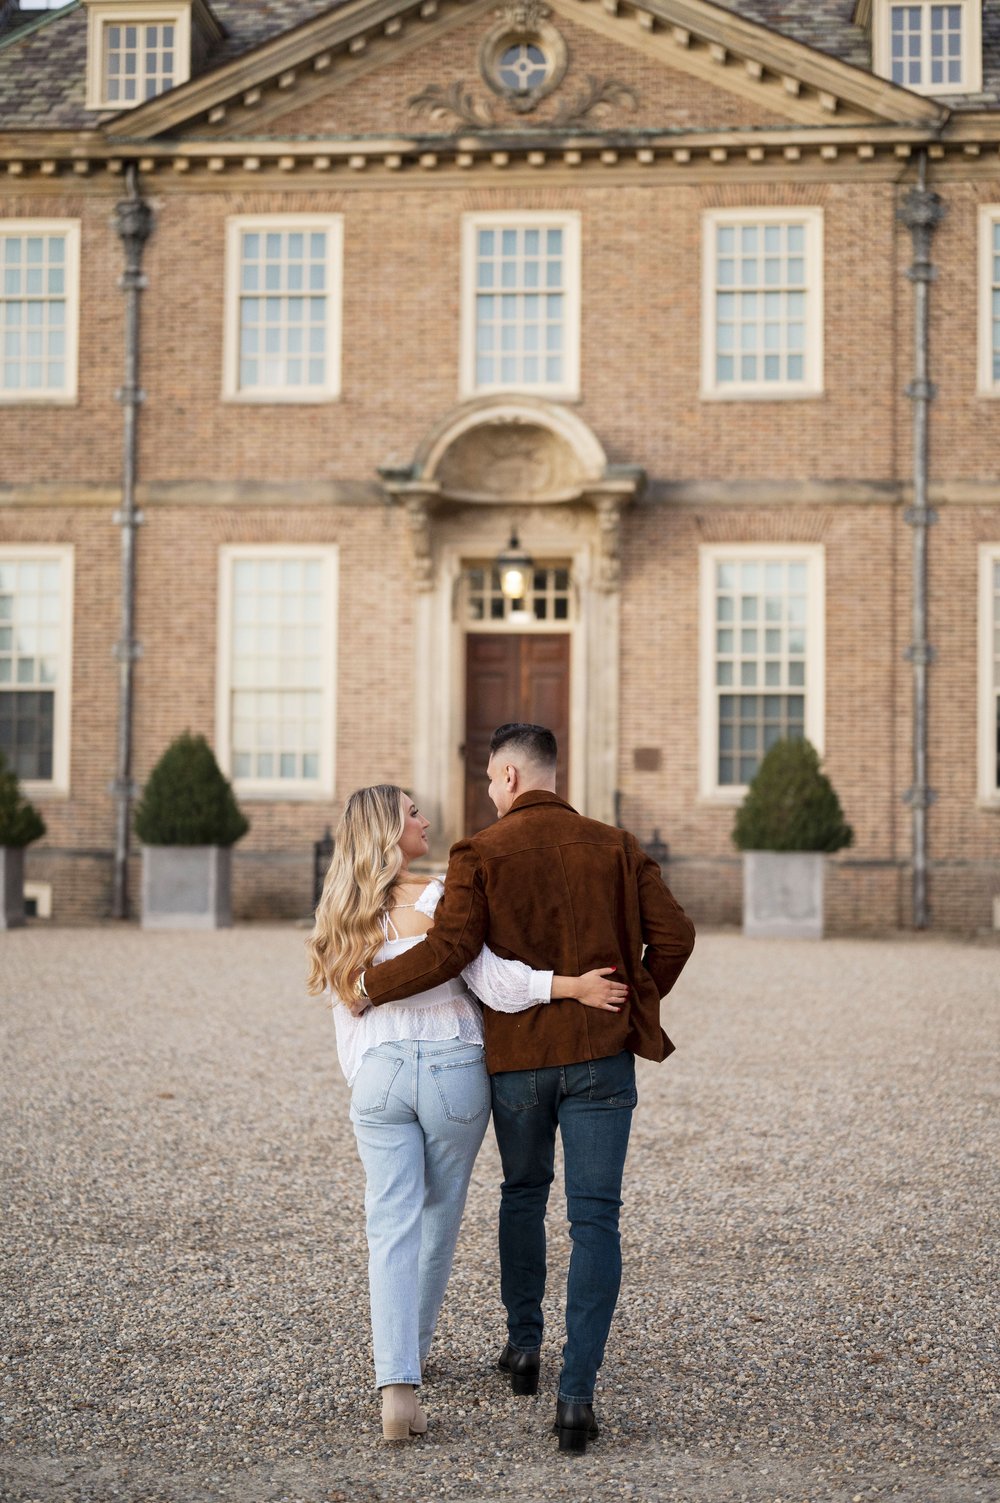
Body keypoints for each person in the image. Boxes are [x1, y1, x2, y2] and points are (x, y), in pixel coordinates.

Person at [354, 725, 696, 1453]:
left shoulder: (479, 852)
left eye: (487, 780)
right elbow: (676, 935)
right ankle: (576, 1398)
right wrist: (633, 998)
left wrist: (369, 985)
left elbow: (451, 949)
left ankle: (525, 1348)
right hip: (601, 1056)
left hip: (517, 1063)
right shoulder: (616, 844)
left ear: (509, 777)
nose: (486, 792)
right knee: (596, 1219)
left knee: (524, 1193)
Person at [305, 782, 628, 1442]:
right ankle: (411, 1354)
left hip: (379, 1074)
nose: (425, 819)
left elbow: (345, 1019)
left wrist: (364, 1081)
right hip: (453, 1068)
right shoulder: (439, 897)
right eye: (413, 813)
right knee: (436, 1219)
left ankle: (400, 1381)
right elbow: (496, 983)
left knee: (388, 1222)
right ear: (392, 834)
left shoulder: (341, 913)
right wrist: (570, 986)